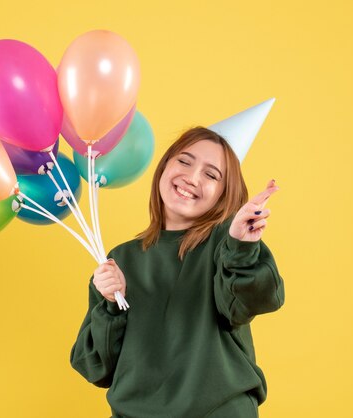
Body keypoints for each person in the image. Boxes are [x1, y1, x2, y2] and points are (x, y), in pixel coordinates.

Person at [70, 127, 285, 418]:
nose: (192, 178)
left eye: (211, 175)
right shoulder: (121, 259)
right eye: (184, 161)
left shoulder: (228, 242)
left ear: (224, 194)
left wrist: (241, 248)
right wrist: (111, 304)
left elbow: (250, 302)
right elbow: (95, 366)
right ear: (165, 166)